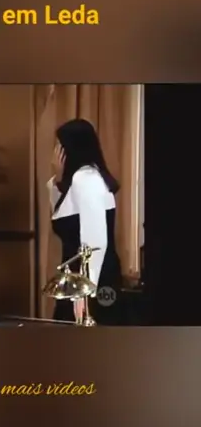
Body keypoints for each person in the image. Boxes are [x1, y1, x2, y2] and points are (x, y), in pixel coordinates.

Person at [47, 118, 122, 324]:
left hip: (91, 278)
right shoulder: (82, 178)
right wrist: (58, 179)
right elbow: (61, 211)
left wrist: (85, 292)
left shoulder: (86, 179)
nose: (55, 153)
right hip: (80, 277)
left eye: (59, 146)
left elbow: (95, 240)